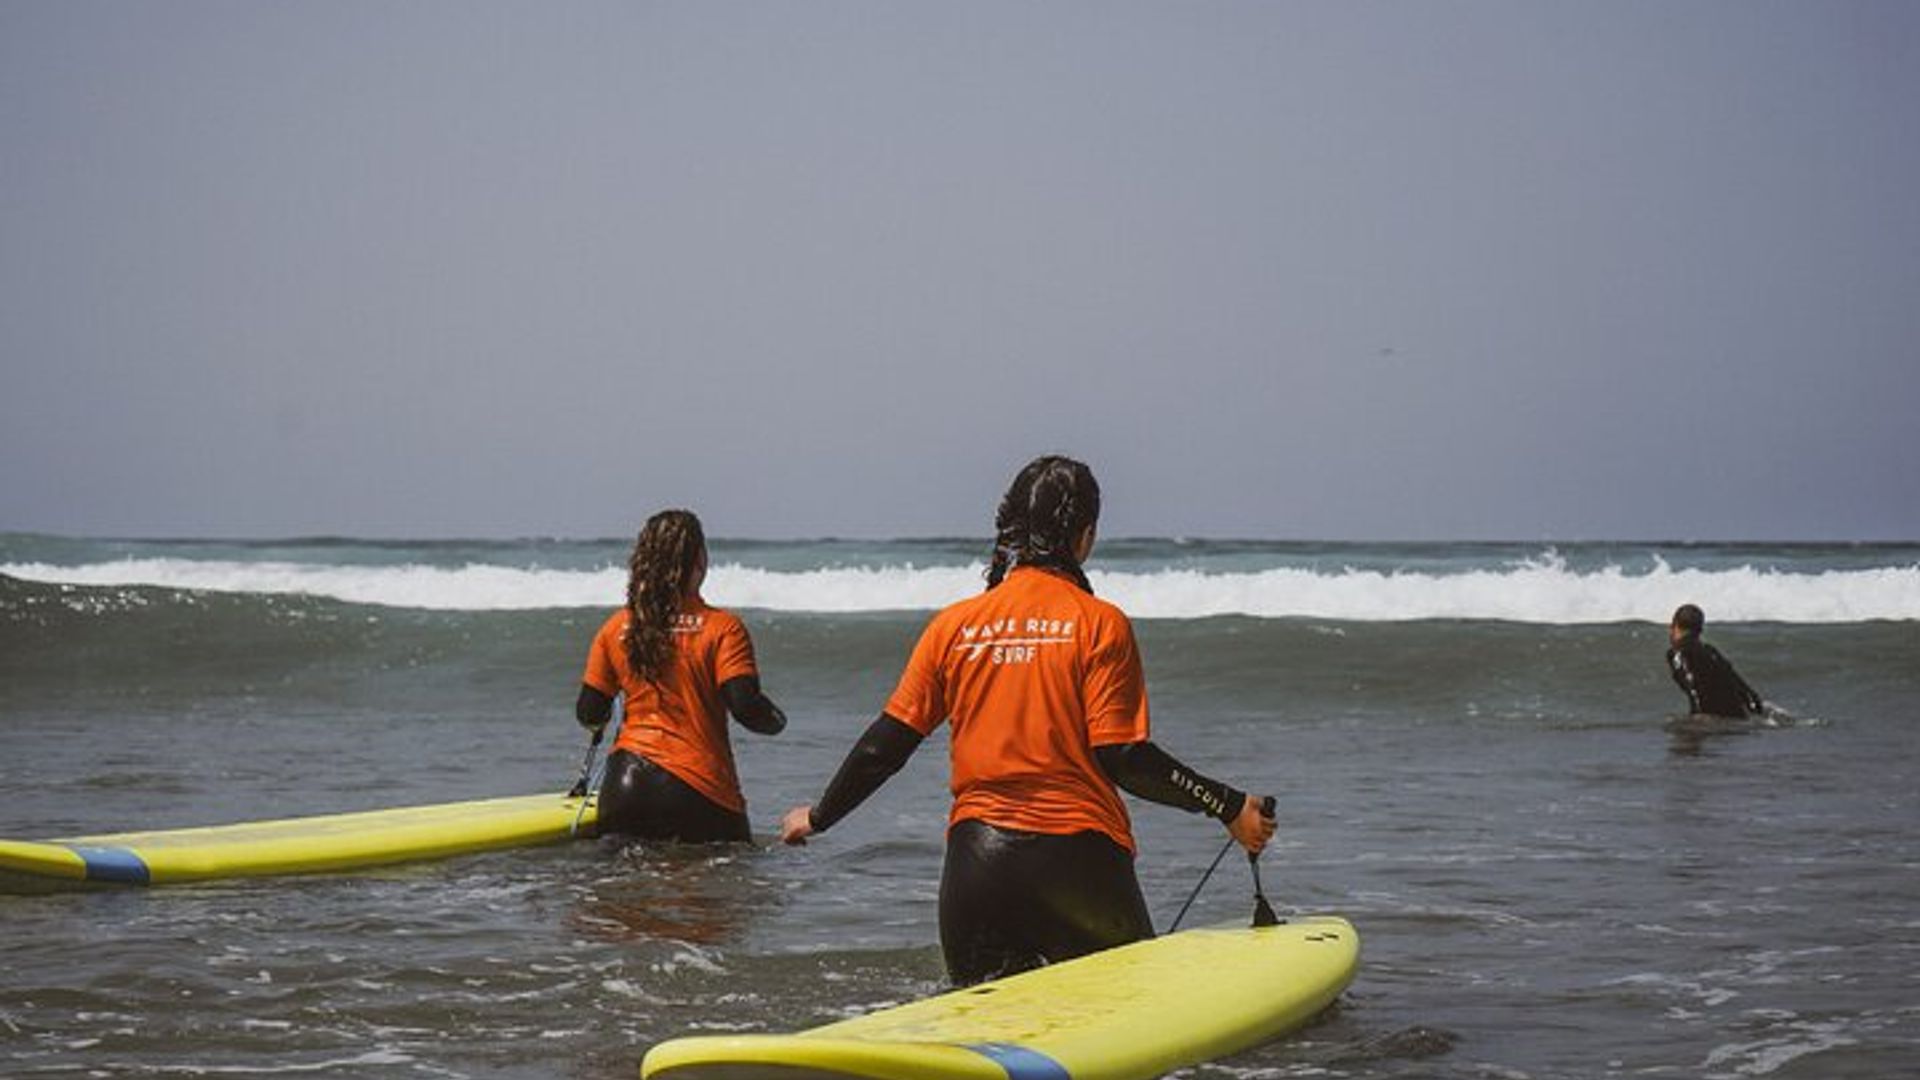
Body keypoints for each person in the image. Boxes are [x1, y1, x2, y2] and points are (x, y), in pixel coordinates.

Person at [779, 455, 1276, 986]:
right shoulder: (1098, 623)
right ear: (1085, 536)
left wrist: (820, 814)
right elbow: (1124, 757)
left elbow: (888, 743)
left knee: (986, 1043)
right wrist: (1227, 806)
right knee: (1124, 1020)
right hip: (1078, 866)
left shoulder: (955, 626)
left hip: (977, 870)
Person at [575, 509, 787, 843]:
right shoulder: (723, 628)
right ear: (700, 560)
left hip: (624, 789)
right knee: (735, 885)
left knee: (622, 892)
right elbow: (746, 707)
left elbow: (589, 713)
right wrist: (777, 721)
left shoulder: (615, 628)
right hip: (697, 790)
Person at [1665, 603, 1765, 719]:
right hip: (1739, 718)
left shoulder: (1677, 653)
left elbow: (1693, 688)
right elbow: (1748, 695)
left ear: (1675, 625)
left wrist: (1698, 718)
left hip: (1713, 722)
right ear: (1700, 630)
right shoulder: (1711, 652)